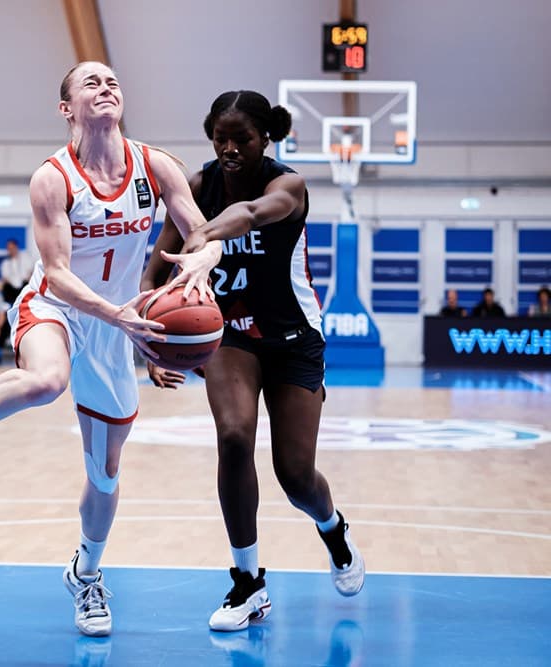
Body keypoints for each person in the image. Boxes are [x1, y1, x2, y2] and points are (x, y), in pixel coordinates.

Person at [0, 60, 222, 637]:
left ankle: (85, 573)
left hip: (117, 330)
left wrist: (203, 258)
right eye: (90, 82)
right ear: (67, 109)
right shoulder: (52, 178)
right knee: (46, 380)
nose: (105, 86)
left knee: (106, 474)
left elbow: (202, 231)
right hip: (57, 307)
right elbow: (59, 274)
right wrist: (118, 313)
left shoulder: (156, 165)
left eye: (112, 80)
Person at [142, 90, 365, 633]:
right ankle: (248, 583)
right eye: (220, 138)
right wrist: (147, 339)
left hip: (293, 338)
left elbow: (248, 214)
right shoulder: (197, 186)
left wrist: (208, 236)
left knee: (295, 477)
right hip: (229, 337)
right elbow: (154, 272)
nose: (229, 149)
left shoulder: (288, 185)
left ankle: (333, 529)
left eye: (241, 138)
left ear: (267, 138)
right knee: (235, 436)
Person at [0, 238, 33, 306]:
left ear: (16, 247)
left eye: (12, 247)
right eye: (9, 248)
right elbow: (5, 278)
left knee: (27, 286)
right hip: (12, 288)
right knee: (6, 288)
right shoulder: (5, 263)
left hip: (24, 285)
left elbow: (30, 272)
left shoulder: (26, 258)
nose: (11, 250)